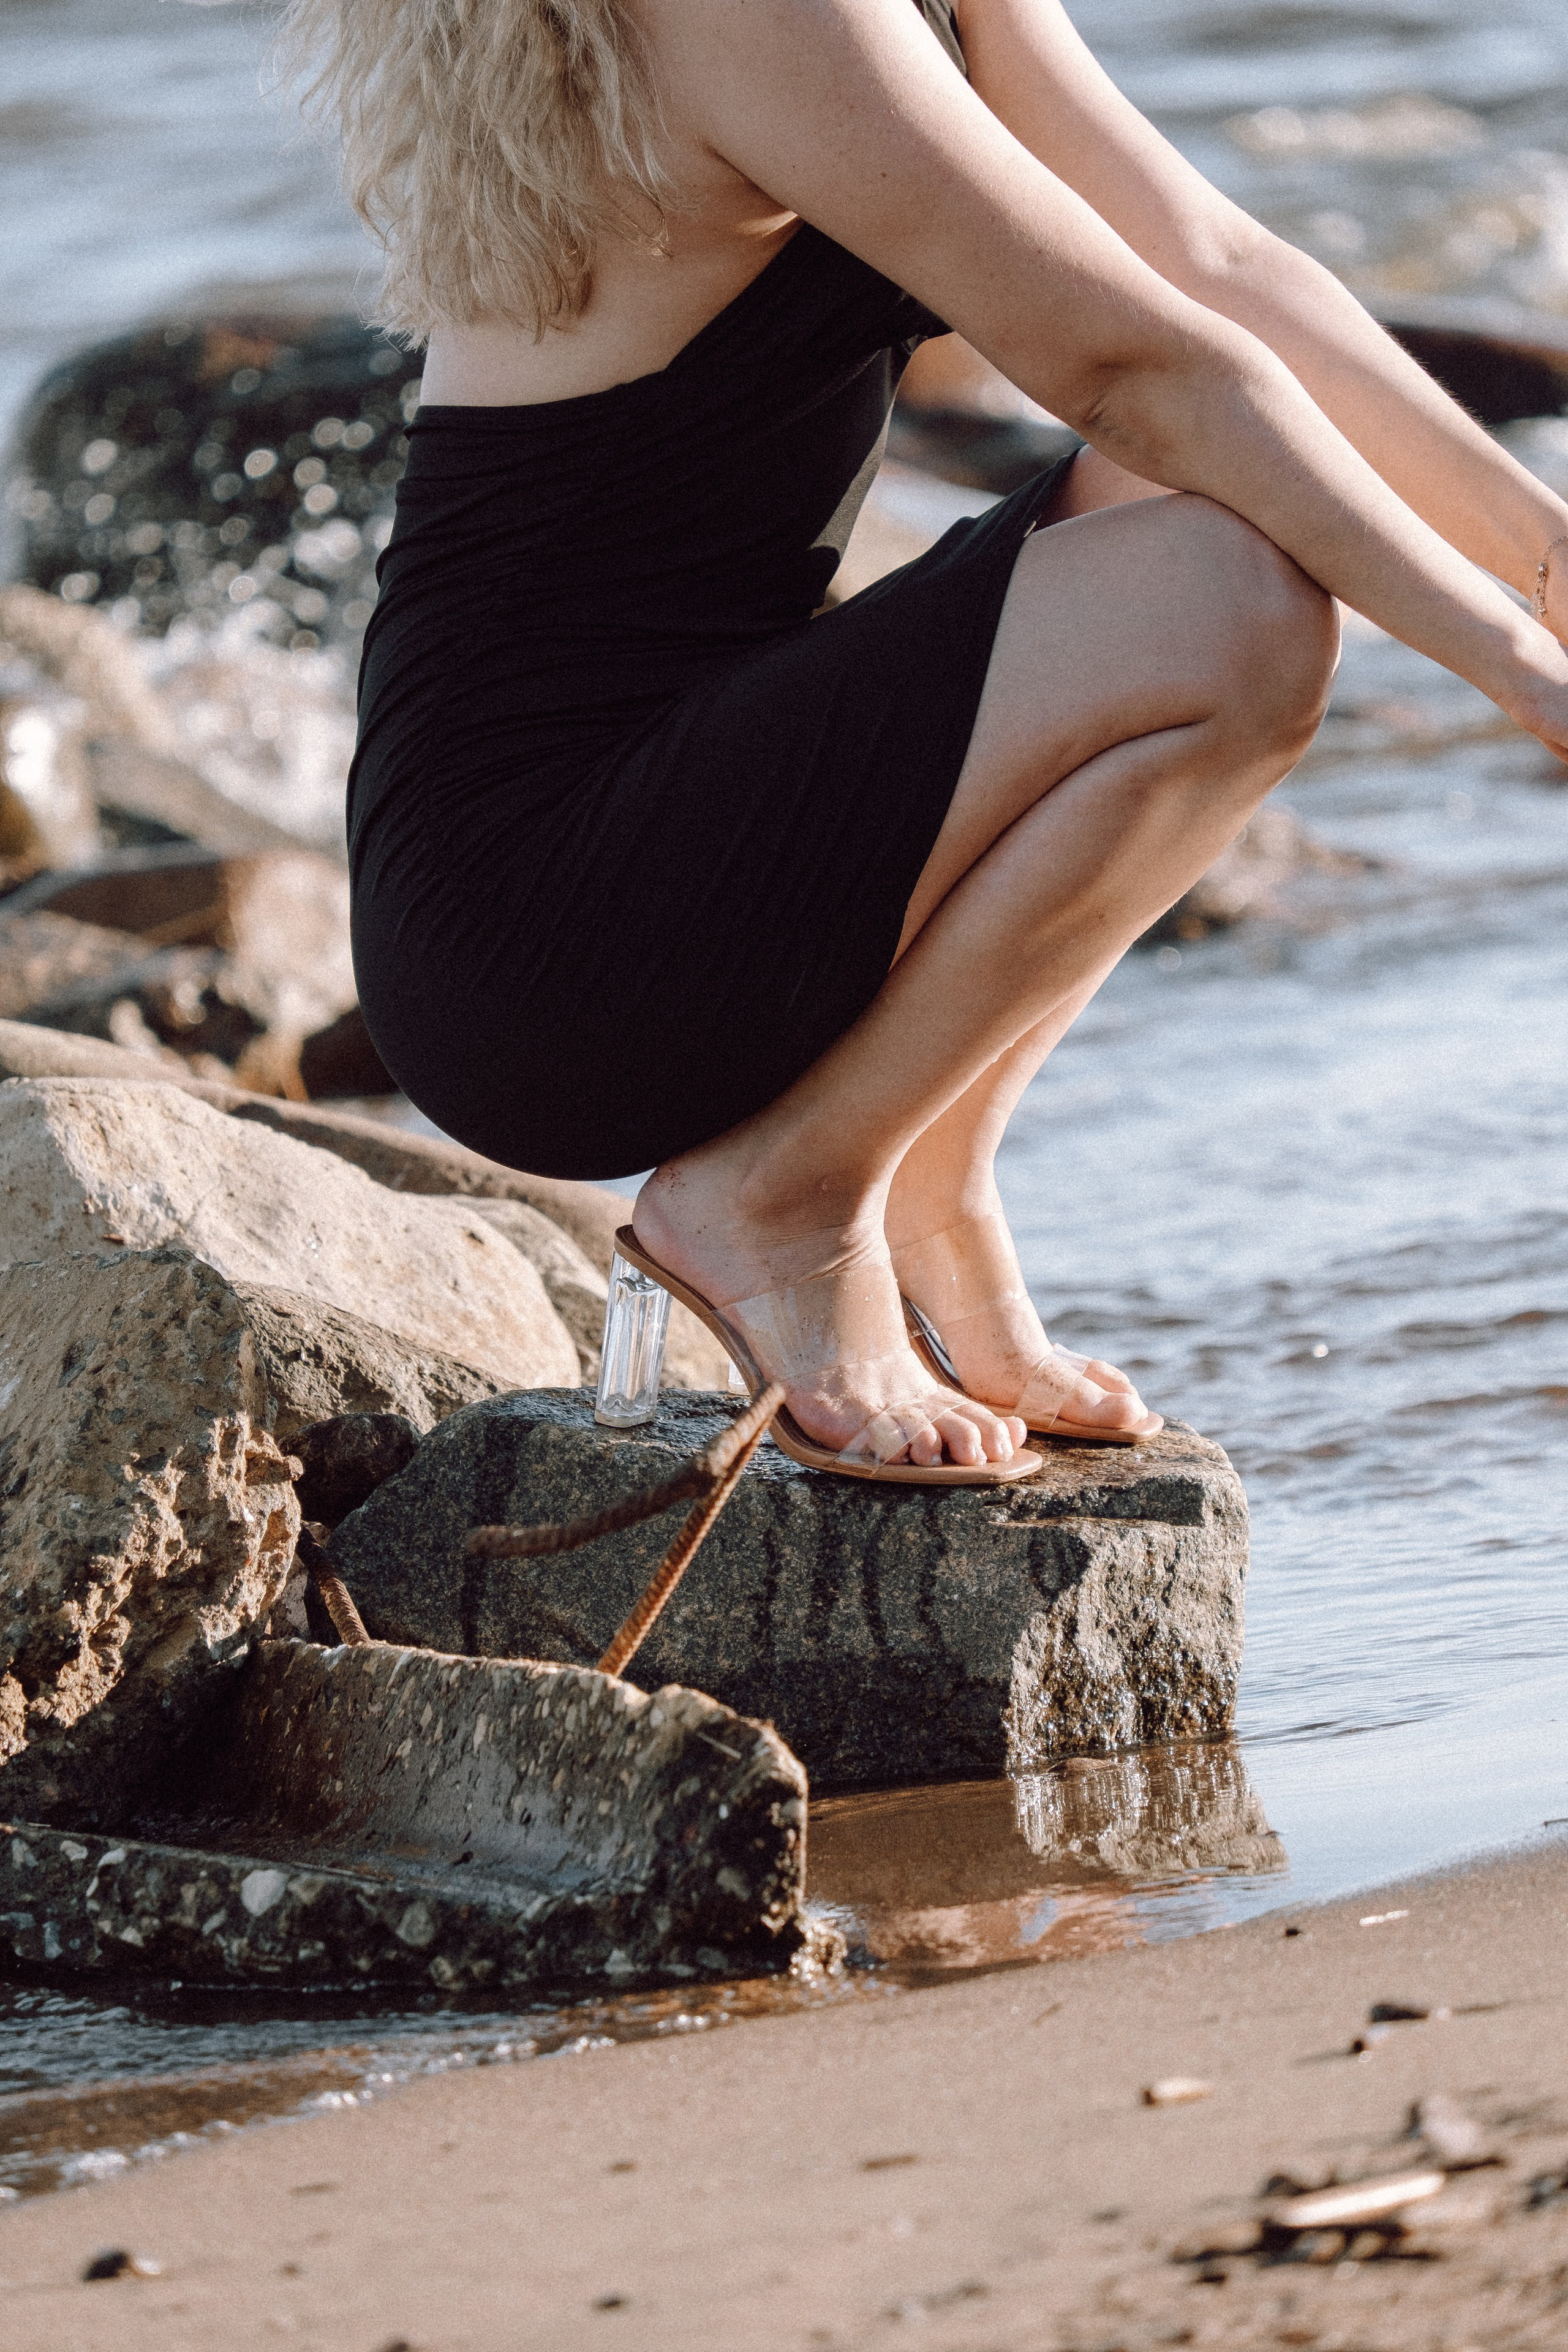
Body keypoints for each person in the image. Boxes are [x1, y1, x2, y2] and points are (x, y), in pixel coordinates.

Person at [289, 0, 1568, 1482]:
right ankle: (781, 1198)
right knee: (1229, 600)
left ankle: (929, 1196)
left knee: (1198, 527)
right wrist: (1517, 671)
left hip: (686, 784)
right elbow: (1129, 368)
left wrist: (1546, 569)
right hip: (534, 909)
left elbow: (1216, 270)